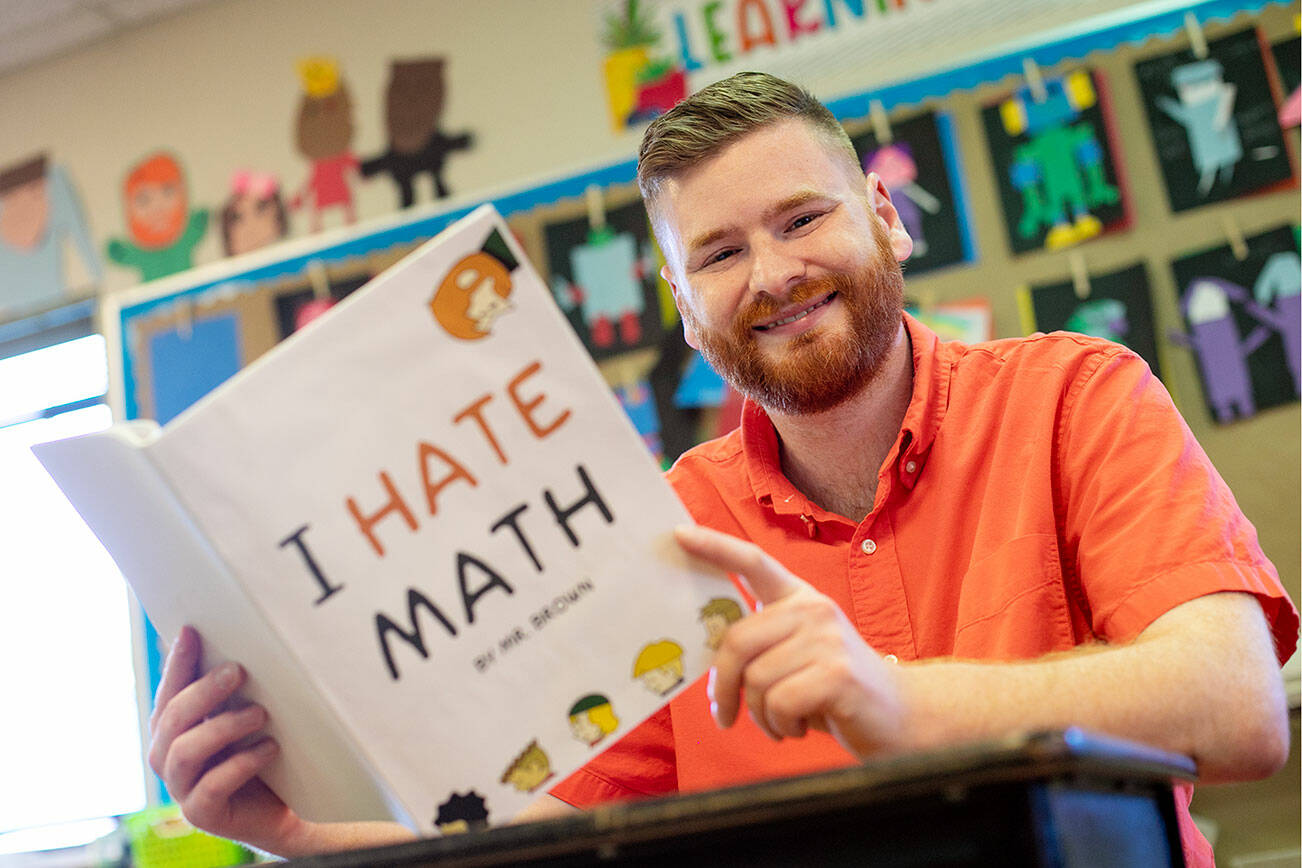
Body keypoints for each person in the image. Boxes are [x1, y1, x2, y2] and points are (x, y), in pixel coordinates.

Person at [147, 72, 1297, 865]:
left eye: (803, 218)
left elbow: (1238, 706)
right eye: (720, 252)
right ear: (685, 311)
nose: (776, 271)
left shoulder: (1077, 396)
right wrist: (293, 833)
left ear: (887, 217)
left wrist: (894, 700)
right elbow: (533, 828)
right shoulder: (666, 522)